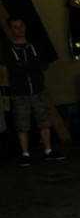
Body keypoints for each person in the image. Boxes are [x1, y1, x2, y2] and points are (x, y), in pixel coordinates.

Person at [3, 16, 64, 165]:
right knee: (22, 123)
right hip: (20, 91)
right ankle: (25, 153)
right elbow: (13, 68)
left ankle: (48, 150)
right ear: (11, 29)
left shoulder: (35, 45)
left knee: (44, 119)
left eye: (21, 26)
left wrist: (25, 67)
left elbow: (42, 64)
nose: (19, 29)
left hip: (37, 88)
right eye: (15, 27)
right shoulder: (7, 48)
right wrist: (30, 67)